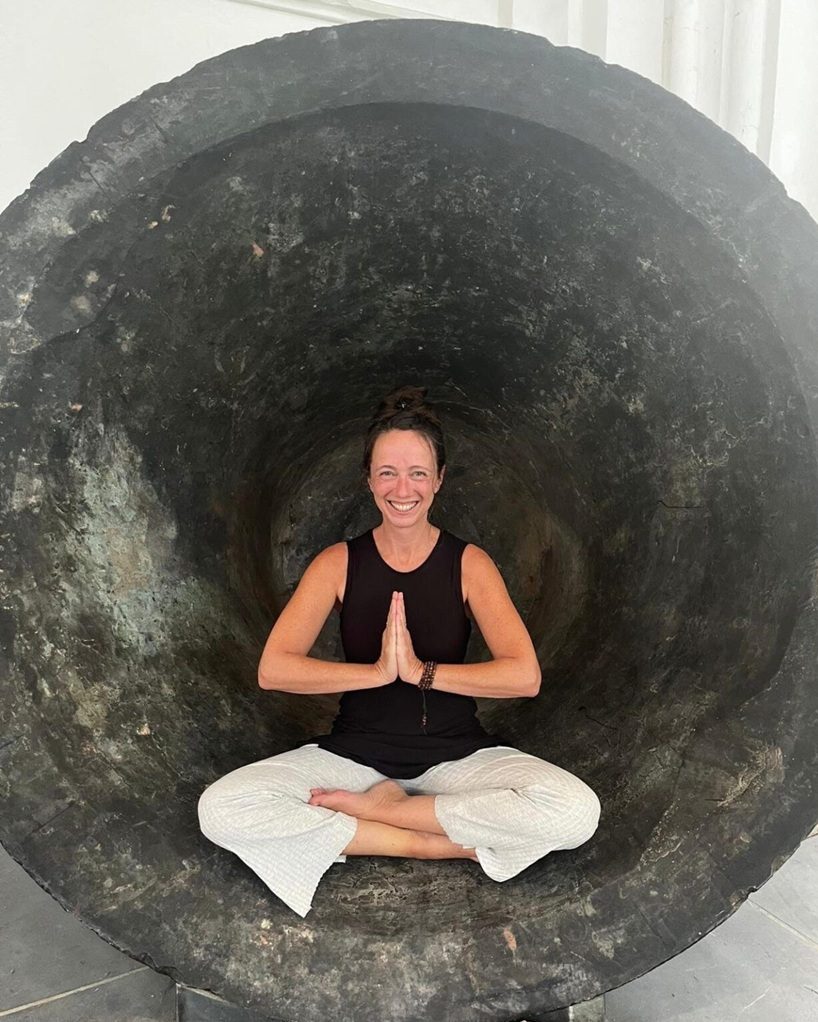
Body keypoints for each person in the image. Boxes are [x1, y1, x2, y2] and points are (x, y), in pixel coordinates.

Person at [197, 384, 600, 918]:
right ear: (368, 480)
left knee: (576, 811)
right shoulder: (337, 563)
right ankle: (422, 839)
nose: (402, 488)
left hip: (456, 758)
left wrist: (419, 672)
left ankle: (388, 812)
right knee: (221, 808)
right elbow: (274, 670)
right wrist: (376, 672)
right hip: (353, 757)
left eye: (417, 473)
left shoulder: (469, 563)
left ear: (439, 480)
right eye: (387, 472)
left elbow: (523, 676)